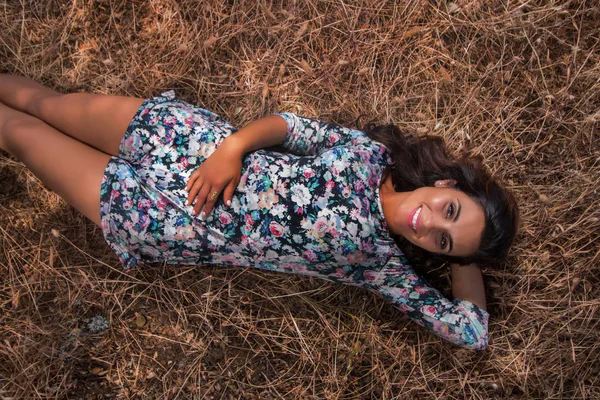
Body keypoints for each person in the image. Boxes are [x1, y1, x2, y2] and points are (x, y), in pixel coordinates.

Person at [0, 74, 518, 350]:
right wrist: (231, 149)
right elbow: (291, 128)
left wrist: (466, 254)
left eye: (443, 240)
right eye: (450, 209)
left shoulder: (380, 264)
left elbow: (469, 331)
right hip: (186, 140)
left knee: (23, 136)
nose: (431, 225)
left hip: (159, 217)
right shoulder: (369, 153)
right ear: (445, 183)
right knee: (49, 105)